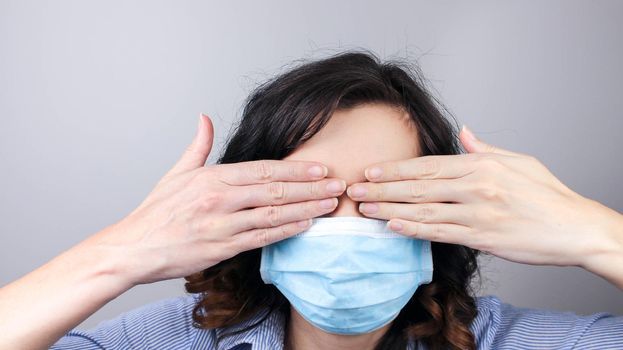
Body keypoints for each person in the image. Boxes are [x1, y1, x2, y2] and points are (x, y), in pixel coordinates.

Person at [1, 51, 621, 350]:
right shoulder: (168, 342)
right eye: (312, 197)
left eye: (382, 196)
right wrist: (119, 254)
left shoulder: (518, 342)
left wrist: (596, 234)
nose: (348, 225)